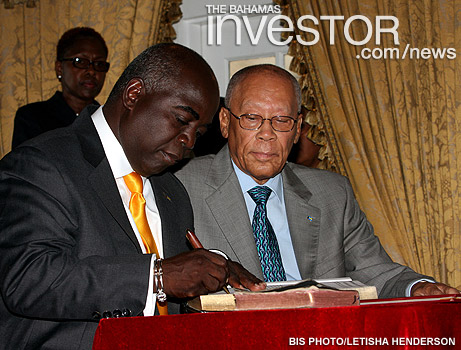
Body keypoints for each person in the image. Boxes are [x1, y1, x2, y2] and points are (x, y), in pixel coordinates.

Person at [0, 43, 263, 350]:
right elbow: (30, 281)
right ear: (134, 95)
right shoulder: (39, 165)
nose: (189, 141)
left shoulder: (172, 192)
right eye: (183, 120)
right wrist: (156, 277)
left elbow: (175, 302)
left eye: (200, 131)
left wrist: (216, 280)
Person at [175, 64, 459, 298]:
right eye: (252, 118)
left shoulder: (333, 193)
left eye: (282, 120)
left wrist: (416, 287)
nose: (267, 133)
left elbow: (376, 272)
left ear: (297, 130)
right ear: (225, 122)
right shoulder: (181, 187)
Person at [12, 27, 109, 149]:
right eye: (80, 61)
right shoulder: (32, 118)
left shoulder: (108, 122)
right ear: (59, 68)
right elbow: (25, 165)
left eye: (99, 64)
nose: (91, 71)